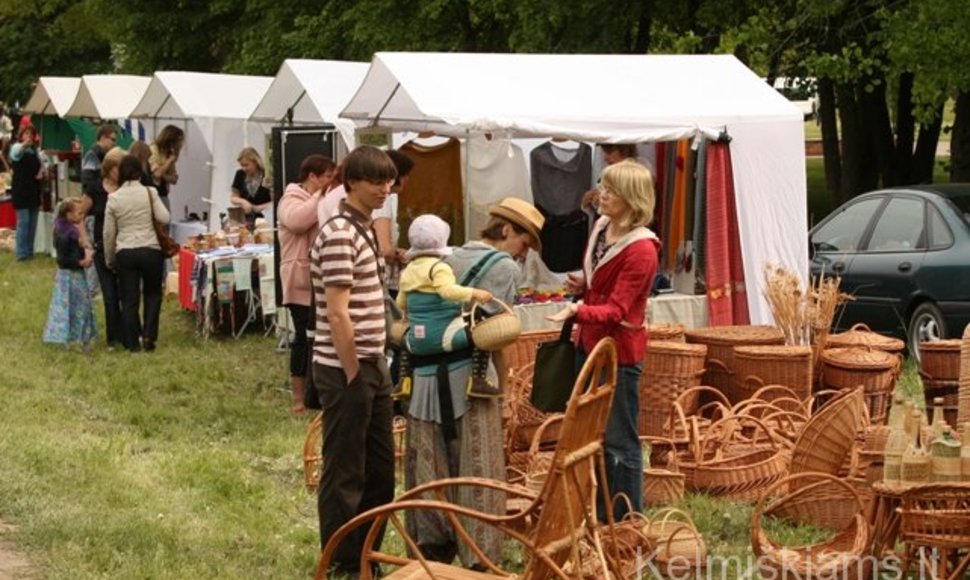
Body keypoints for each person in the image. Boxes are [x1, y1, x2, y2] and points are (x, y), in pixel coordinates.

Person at [403, 197, 543, 570]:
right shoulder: (503, 269)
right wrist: (501, 388)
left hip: (423, 378)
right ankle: (478, 559)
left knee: (428, 465)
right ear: (507, 230)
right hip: (471, 377)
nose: (522, 253)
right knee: (478, 467)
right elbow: (496, 334)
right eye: (524, 243)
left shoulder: (445, 255)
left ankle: (429, 553)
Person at [547, 159, 660, 521]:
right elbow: (602, 283)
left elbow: (618, 311)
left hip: (618, 354)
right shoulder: (602, 227)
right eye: (603, 185)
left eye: (611, 190)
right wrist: (586, 284)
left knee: (620, 441)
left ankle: (627, 520)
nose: (602, 194)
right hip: (589, 345)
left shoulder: (642, 249)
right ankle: (600, 514)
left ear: (631, 198)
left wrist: (577, 311)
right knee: (590, 435)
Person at [310, 145, 397, 577]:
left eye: (389, 180)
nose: (385, 188)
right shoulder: (341, 232)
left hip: (372, 363)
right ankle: (342, 561)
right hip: (348, 365)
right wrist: (351, 373)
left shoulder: (361, 228)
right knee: (346, 470)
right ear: (353, 183)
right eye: (376, 180)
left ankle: (366, 556)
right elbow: (337, 311)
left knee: (380, 471)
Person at [393, 214, 494, 399]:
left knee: (404, 340)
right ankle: (478, 381)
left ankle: (403, 381)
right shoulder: (439, 268)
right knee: (482, 334)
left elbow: (401, 302)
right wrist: (475, 293)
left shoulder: (407, 271)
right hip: (447, 337)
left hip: (417, 342)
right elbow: (448, 292)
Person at [277, 154, 337, 415]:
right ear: (312, 176)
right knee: (303, 338)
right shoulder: (290, 199)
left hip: (319, 280)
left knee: (320, 338)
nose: (329, 182)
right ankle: (299, 398)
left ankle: (318, 393)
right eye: (326, 177)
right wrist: (320, 197)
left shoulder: (321, 199)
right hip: (299, 281)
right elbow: (299, 221)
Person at [104, 155, 170, 353]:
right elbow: (164, 217)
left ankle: (132, 342)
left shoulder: (113, 199)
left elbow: (108, 233)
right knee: (152, 294)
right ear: (140, 171)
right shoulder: (149, 192)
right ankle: (149, 335)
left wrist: (110, 258)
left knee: (130, 299)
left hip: (126, 251)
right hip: (150, 249)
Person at [78, 147, 126, 349]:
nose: (121, 172)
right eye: (118, 168)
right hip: (100, 247)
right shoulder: (94, 188)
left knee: (125, 293)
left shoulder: (126, 188)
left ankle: (127, 334)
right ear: (109, 167)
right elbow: (79, 215)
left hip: (123, 246)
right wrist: (86, 242)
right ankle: (112, 339)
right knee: (109, 295)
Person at [43, 199, 97, 351]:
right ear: (68, 214)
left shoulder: (66, 230)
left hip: (71, 275)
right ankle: (76, 338)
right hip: (70, 276)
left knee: (74, 306)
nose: (82, 215)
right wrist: (80, 262)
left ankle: (74, 338)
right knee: (78, 306)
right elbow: (63, 259)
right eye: (79, 213)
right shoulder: (66, 234)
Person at [9, 125, 44, 261]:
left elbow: (41, 164)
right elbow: (17, 154)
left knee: (33, 223)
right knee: (23, 222)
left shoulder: (35, 151)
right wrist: (25, 145)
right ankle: (21, 253)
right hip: (21, 190)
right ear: (22, 135)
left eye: (31, 133)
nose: (29, 136)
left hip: (33, 190)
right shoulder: (16, 147)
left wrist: (41, 171)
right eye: (26, 133)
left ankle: (30, 251)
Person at [229, 147, 272, 226]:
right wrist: (243, 202)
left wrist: (258, 208)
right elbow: (233, 198)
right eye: (242, 165)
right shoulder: (240, 174)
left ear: (255, 162)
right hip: (245, 221)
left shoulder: (267, 175)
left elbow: (276, 201)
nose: (244, 168)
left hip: (265, 220)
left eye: (246, 165)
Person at [149, 125, 185, 210]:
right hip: (153, 194)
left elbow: (174, 179)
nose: (181, 145)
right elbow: (157, 174)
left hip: (163, 193)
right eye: (179, 141)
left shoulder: (169, 154)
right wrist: (169, 161)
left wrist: (163, 175)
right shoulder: (154, 149)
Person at [81, 124, 118, 193]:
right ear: (103, 137)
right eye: (113, 139)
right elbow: (88, 182)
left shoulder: (101, 154)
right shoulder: (92, 155)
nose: (114, 143)